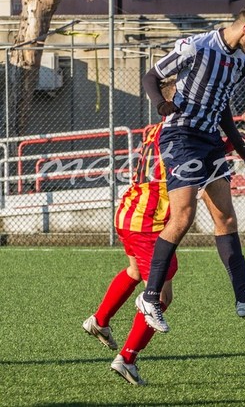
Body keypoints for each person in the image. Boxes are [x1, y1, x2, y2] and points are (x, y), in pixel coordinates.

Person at [136, 2, 245, 334]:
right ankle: (149, 297)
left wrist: (243, 147)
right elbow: (152, 76)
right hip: (180, 136)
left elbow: (221, 110)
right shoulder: (196, 46)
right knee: (183, 216)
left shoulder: (240, 62)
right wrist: (161, 103)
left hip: (210, 140)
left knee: (225, 217)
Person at [83, 121, 175, 385]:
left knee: (135, 271)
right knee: (161, 295)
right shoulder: (180, 129)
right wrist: (230, 145)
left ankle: (100, 320)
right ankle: (127, 359)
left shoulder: (154, 128)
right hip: (148, 222)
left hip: (129, 211)